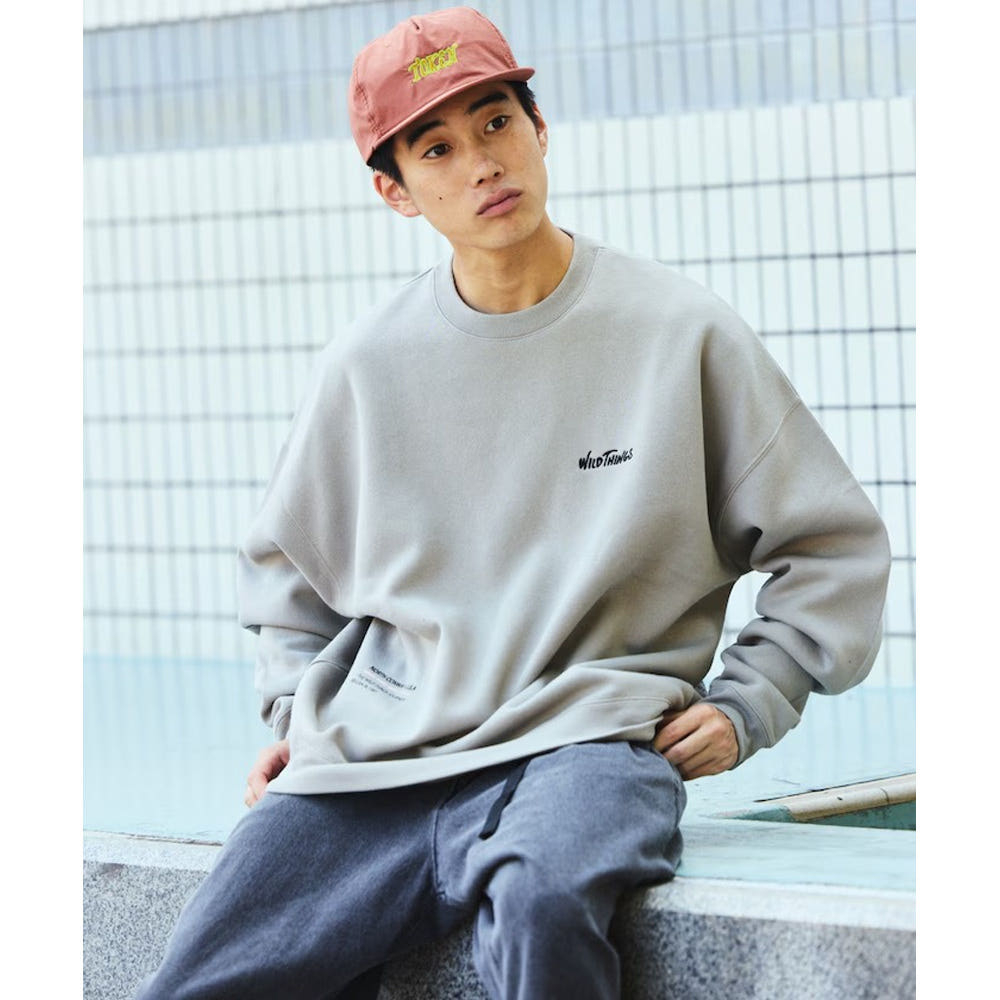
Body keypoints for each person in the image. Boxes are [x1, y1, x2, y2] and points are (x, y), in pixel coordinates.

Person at [136, 7, 891, 999]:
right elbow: (289, 576)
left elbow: (831, 546)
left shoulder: (679, 332)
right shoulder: (368, 366)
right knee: (199, 973)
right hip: (377, 763)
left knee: (543, 903)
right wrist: (294, 713)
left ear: (540, 128)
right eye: (437, 149)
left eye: (496, 122)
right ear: (395, 192)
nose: (482, 163)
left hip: (587, 744)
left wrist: (751, 700)